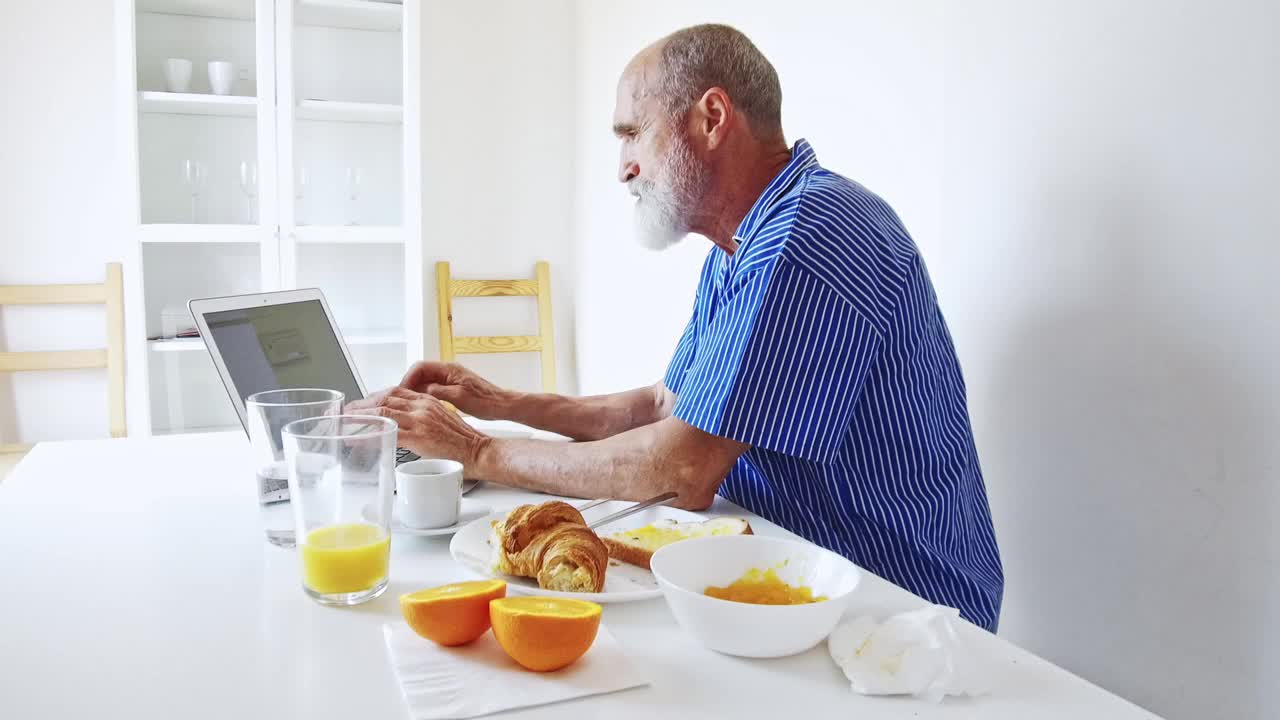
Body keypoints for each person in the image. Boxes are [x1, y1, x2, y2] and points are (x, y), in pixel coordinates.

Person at [351, 24, 1004, 630]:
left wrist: (480, 450)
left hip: (900, 606)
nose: (622, 167)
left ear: (712, 119)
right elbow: (665, 405)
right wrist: (500, 403)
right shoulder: (746, 241)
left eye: (633, 133)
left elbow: (684, 465)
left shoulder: (809, 234)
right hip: (790, 568)